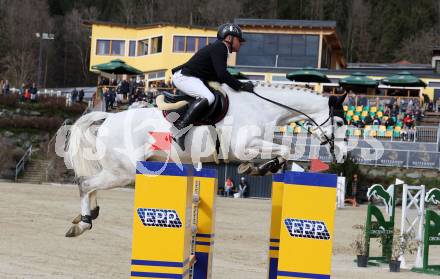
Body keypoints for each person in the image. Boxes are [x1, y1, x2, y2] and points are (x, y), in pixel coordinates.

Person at [170, 23, 255, 150]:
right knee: (208, 97)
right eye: (239, 40)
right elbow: (221, 74)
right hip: (184, 77)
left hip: (193, 77)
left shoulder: (220, 48)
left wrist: (238, 83)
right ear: (229, 38)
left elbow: (218, 76)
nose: (240, 43)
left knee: (213, 94)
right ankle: (181, 129)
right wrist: (240, 86)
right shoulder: (220, 47)